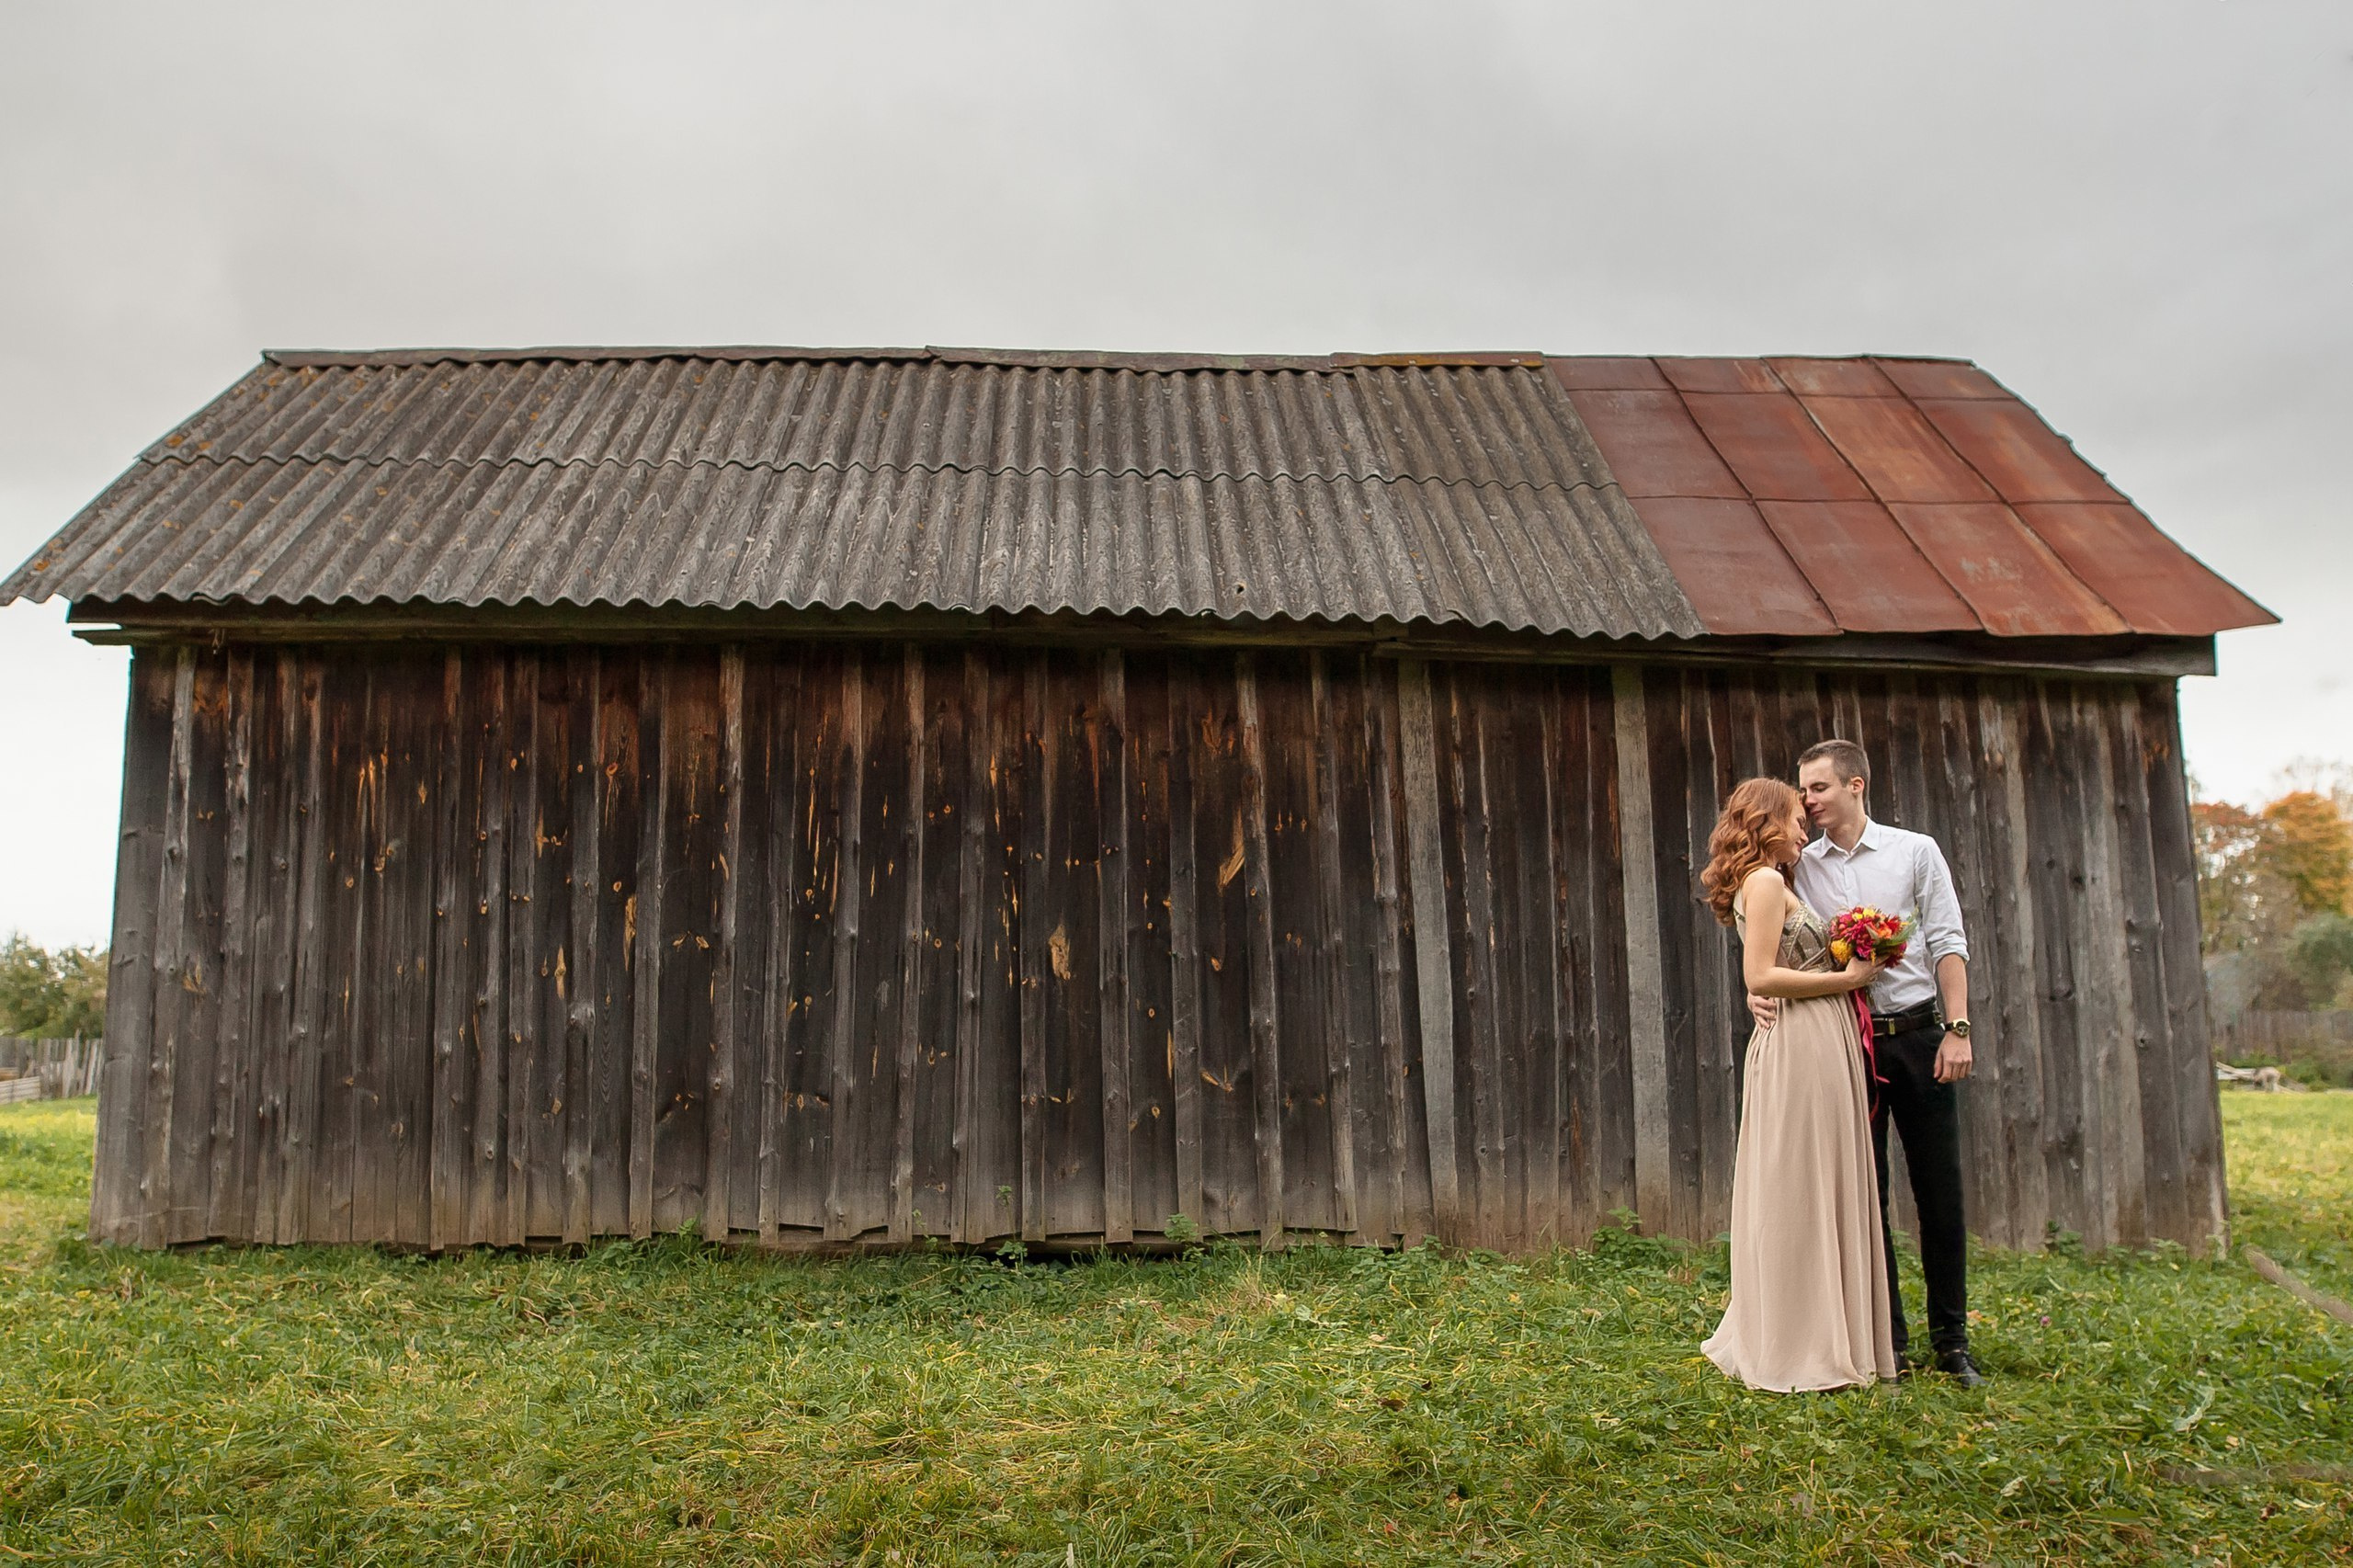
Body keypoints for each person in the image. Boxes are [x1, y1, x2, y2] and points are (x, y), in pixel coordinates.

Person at [1750, 738, 1984, 1388]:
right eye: (1804, 790)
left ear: (1856, 785)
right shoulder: (1801, 864)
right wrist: (1754, 986)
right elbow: (1774, 938)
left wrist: (1957, 1029)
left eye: (1819, 788)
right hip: (1843, 1045)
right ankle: (1889, 1342)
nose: (1808, 800)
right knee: (1863, 1195)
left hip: (1918, 1036)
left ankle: (1953, 1340)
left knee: (1940, 1192)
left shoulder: (1915, 851)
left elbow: (1947, 941)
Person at [1698, 776, 1895, 1392]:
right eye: (1796, 818)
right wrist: (1848, 979)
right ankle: (1796, 1340)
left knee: (1821, 1176)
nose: (1806, 828)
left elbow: (1768, 974)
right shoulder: (1761, 883)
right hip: (1802, 1042)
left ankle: (1826, 1330)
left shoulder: (1772, 884)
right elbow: (1761, 973)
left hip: (1821, 1038)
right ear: (1768, 823)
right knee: (1799, 1181)